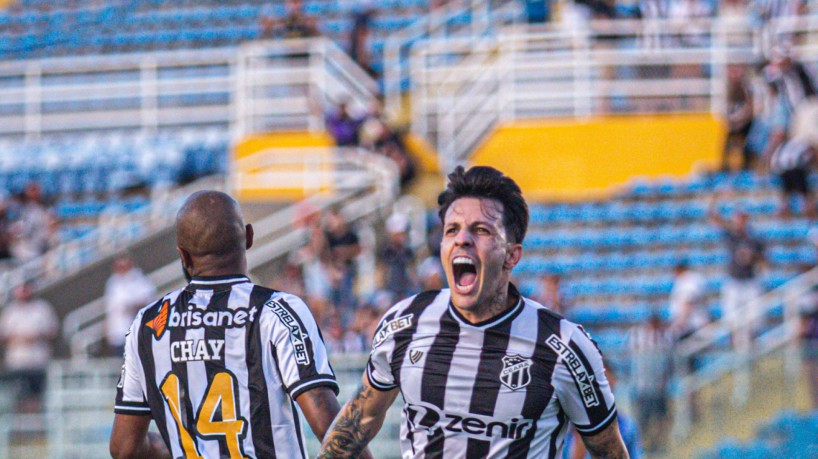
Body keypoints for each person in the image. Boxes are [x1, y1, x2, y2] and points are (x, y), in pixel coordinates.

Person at [318, 166, 629, 458]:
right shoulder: (404, 325)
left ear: (511, 255)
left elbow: (608, 450)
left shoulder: (563, 347)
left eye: (481, 230)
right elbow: (357, 424)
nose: (462, 239)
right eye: (451, 230)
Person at [109, 191, 370, 459]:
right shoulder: (277, 311)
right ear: (248, 237)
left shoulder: (148, 324)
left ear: (184, 257)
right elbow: (332, 430)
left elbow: (123, 448)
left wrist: (180, 447)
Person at [708, 197, 766, 344]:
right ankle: (736, 346)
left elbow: (764, 261)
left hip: (750, 281)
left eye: (742, 218)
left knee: (753, 320)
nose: (740, 221)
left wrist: (752, 257)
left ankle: (751, 346)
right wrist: (715, 200)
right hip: (734, 281)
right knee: (732, 320)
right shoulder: (731, 235)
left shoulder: (755, 238)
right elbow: (714, 219)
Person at [0, 281, 58, 412]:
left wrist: (35, 337)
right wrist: (19, 338)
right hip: (17, 362)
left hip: (38, 361)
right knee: (18, 397)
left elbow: (52, 332)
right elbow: (3, 335)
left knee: (37, 397)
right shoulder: (10, 311)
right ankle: (20, 426)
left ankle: (36, 425)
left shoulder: (42, 308)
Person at [104, 253, 157, 357]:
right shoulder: (113, 282)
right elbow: (111, 307)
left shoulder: (138, 279)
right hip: (117, 332)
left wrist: (130, 306)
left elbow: (146, 299)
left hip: (134, 330)